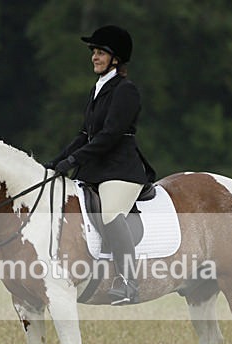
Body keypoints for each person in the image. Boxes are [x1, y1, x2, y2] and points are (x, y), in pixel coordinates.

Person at [46, 25, 154, 305]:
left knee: (109, 213)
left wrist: (75, 160)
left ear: (115, 58)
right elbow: (85, 134)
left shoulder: (125, 90)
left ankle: (129, 282)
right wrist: (57, 162)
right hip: (96, 171)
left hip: (121, 171)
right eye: (93, 52)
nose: (94, 56)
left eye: (101, 52)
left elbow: (110, 135)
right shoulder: (98, 89)